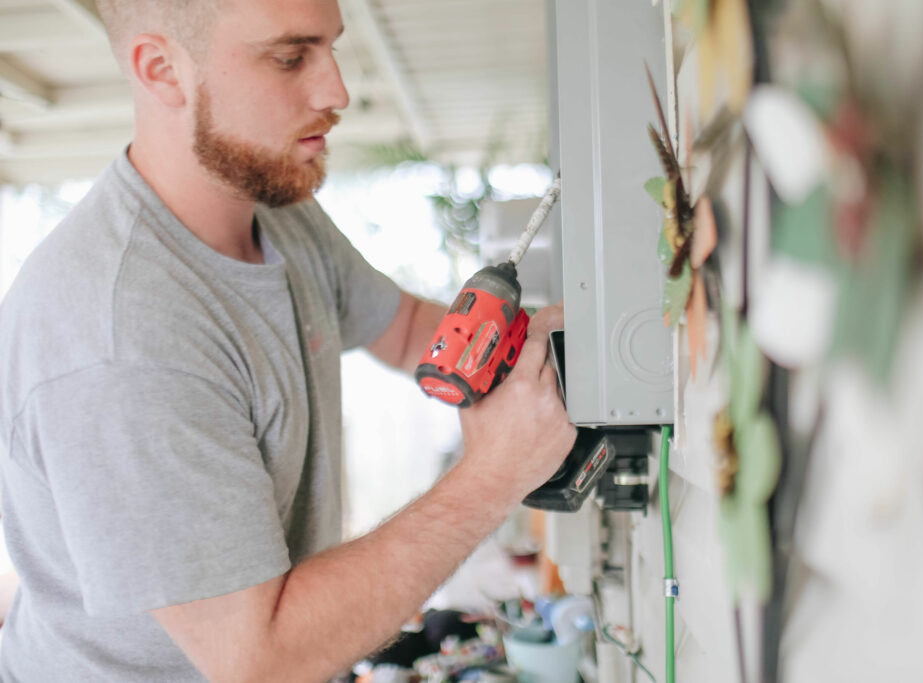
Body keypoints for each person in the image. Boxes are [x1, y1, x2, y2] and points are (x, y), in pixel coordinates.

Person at [0, 0, 576, 680]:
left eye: (330, 48)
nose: (337, 91)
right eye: (289, 57)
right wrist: (492, 475)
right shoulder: (118, 333)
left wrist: (562, 337)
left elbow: (415, 332)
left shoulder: (278, 211)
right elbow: (261, 658)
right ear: (162, 71)